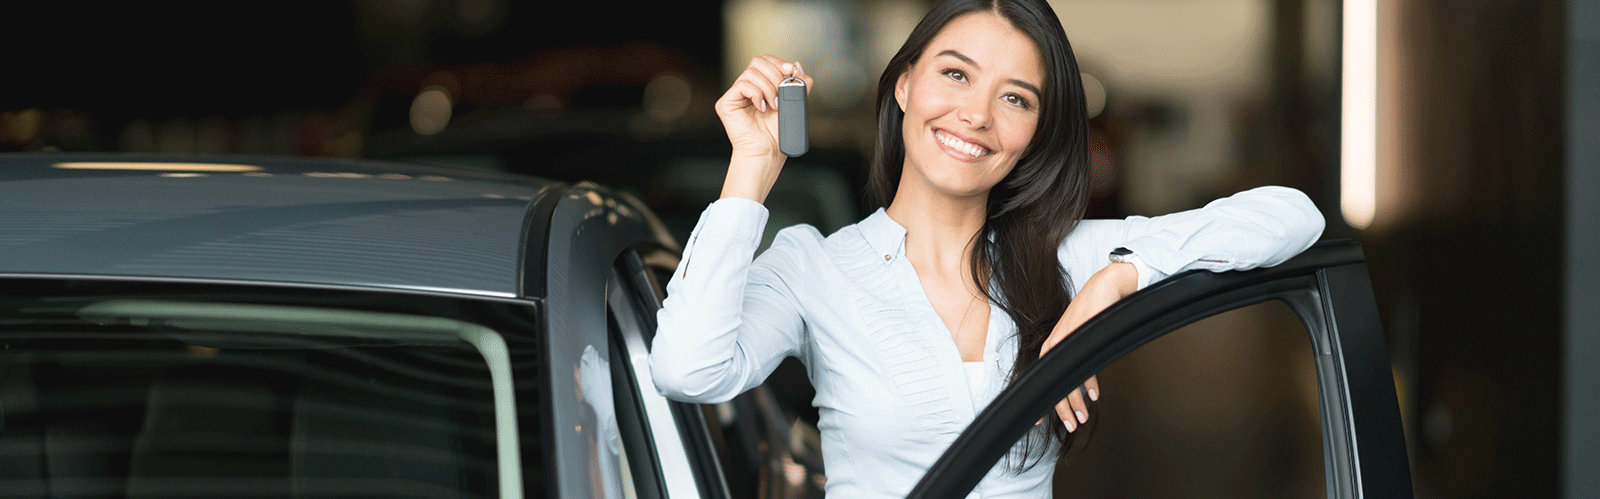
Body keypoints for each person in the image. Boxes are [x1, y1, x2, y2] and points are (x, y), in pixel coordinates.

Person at [649, 0, 1325, 496]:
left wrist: (1117, 279)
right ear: (904, 83)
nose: (977, 115)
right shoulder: (813, 266)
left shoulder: (1062, 258)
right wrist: (752, 170)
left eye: (1017, 98)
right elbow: (688, 368)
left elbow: (1293, 216)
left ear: (1035, 132)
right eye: (956, 75)